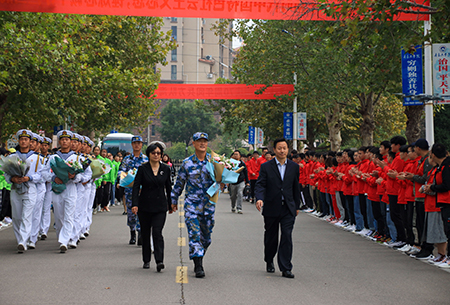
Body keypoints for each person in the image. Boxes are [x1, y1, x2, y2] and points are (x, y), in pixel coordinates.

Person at [255, 138, 301, 279]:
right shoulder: (266, 167)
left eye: (285, 148)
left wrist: (296, 206)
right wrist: (260, 198)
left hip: (288, 207)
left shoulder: (294, 167)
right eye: (279, 148)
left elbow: (295, 187)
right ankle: (269, 260)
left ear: (288, 150)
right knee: (271, 237)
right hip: (271, 206)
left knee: (287, 236)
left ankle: (286, 267)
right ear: (274, 150)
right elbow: (261, 184)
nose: (282, 151)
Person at [171, 132, 214, 278]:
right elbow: (179, 183)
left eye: (205, 141)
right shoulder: (187, 163)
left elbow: (222, 179)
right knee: (194, 234)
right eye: (199, 141)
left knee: (206, 237)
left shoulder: (214, 162)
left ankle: (199, 253)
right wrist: (173, 200)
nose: (202, 143)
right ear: (193, 144)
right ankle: (198, 264)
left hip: (208, 205)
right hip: (191, 205)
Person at [132, 142, 173, 270]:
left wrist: (171, 203)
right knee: (145, 233)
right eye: (153, 153)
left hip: (160, 206)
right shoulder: (142, 168)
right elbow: (136, 187)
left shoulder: (166, 169)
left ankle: (159, 260)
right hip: (144, 206)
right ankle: (146, 259)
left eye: (158, 153)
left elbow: (168, 188)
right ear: (149, 154)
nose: (156, 155)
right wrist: (134, 204)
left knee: (157, 232)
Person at [118, 135, 148, 245]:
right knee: (131, 213)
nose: (137, 145)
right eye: (135, 143)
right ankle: (132, 233)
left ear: (141, 145)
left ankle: (140, 233)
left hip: (143, 191)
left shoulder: (146, 159)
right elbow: (121, 172)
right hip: (130, 190)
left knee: (142, 212)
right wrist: (125, 178)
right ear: (132, 144)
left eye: (139, 143)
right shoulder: (127, 159)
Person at [229, 150, 249, 214]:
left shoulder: (242, 163)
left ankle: (239, 208)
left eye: (237, 154)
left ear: (239, 156)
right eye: (234, 154)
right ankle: (233, 206)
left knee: (240, 193)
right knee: (233, 195)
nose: (235, 155)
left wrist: (247, 181)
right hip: (233, 182)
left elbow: (245, 172)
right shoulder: (230, 163)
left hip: (241, 181)